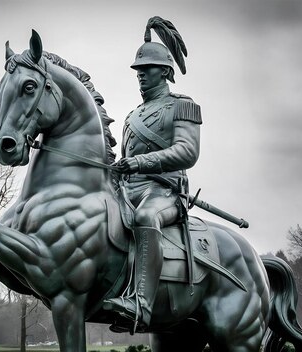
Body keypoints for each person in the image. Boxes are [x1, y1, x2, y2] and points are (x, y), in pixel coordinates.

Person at [103, 16, 202, 330]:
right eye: (138, 71)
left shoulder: (182, 106)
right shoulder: (132, 116)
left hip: (165, 192)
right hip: (128, 190)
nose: (140, 75)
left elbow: (187, 152)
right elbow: (125, 159)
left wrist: (138, 164)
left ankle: (140, 306)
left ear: (165, 71)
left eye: (146, 69)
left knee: (146, 217)